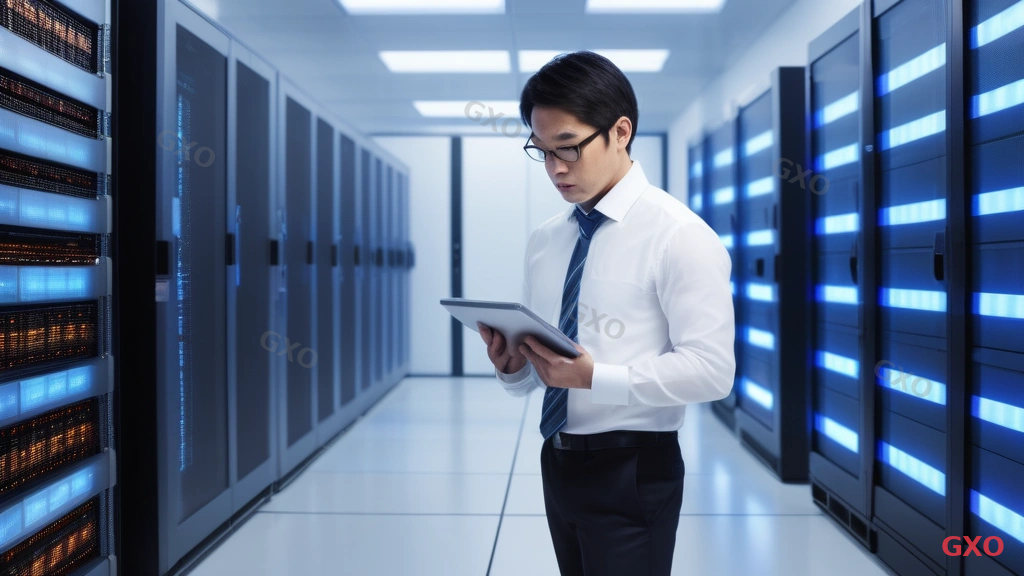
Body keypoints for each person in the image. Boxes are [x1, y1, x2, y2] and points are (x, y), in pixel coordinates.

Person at [476, 51, 736, 576]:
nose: (555, 168)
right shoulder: (548, 238)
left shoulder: (679, 235)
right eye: (541, 151)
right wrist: (512, 368)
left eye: (568, 148)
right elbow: (542, 371)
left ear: (621, 131)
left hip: (634, 467)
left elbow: (713, 371)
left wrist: (596, 377)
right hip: (558, 458)